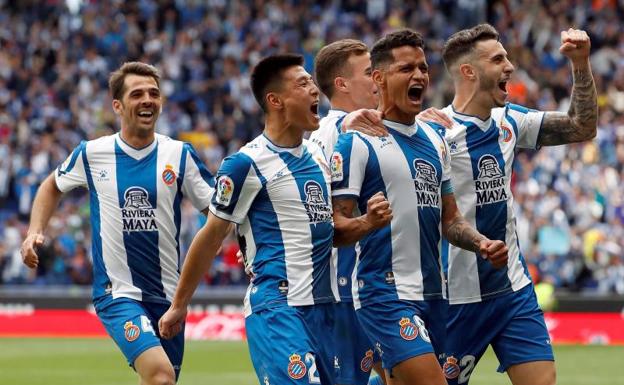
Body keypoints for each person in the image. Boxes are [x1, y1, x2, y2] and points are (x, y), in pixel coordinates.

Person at [158, 54, 389, 385]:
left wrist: (367, 222)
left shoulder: (318, 158)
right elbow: (211, 236)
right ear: (275, 100)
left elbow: (328, 232)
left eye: (312, 81)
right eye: (303, 84)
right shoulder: (246, 164)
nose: (314, 90)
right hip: (278, 308)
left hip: (325, 311)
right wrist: (180, 305)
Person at [330, 29, 508, 385]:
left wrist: (480, 243)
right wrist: (368, 221)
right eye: (406, 68)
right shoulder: (358, 143)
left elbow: (451, 220)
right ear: (378, 79)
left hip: (433, 295)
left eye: (423, 68)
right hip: (384, 292)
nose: (419, 76)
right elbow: (334, 230)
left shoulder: (435, 141)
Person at [19, 62, 215, 385]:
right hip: (117, 294)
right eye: (137, 94)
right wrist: (34, 231)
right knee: (161, 376)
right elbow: (51, 186)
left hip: (168, 296)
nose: (148, 100)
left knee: (156, 380)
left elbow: (218, 215)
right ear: (118, 106)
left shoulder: (179, 155)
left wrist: (245, 245)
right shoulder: (93, 153)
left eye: (154, 93)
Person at [437, 24, 597, 385]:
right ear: (469, 72)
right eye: (498, 59)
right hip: (457, 297)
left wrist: (580, 63)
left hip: (512, 289)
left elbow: (580, 127)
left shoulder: (508, 120)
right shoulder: (434, 133)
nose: (509, 65)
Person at [309, 39, 386, 385]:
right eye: (370, 73)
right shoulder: (336, 130)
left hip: (375, 282)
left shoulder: (357, 127)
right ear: (341, 84)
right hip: (344, 284)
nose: (378, 80)